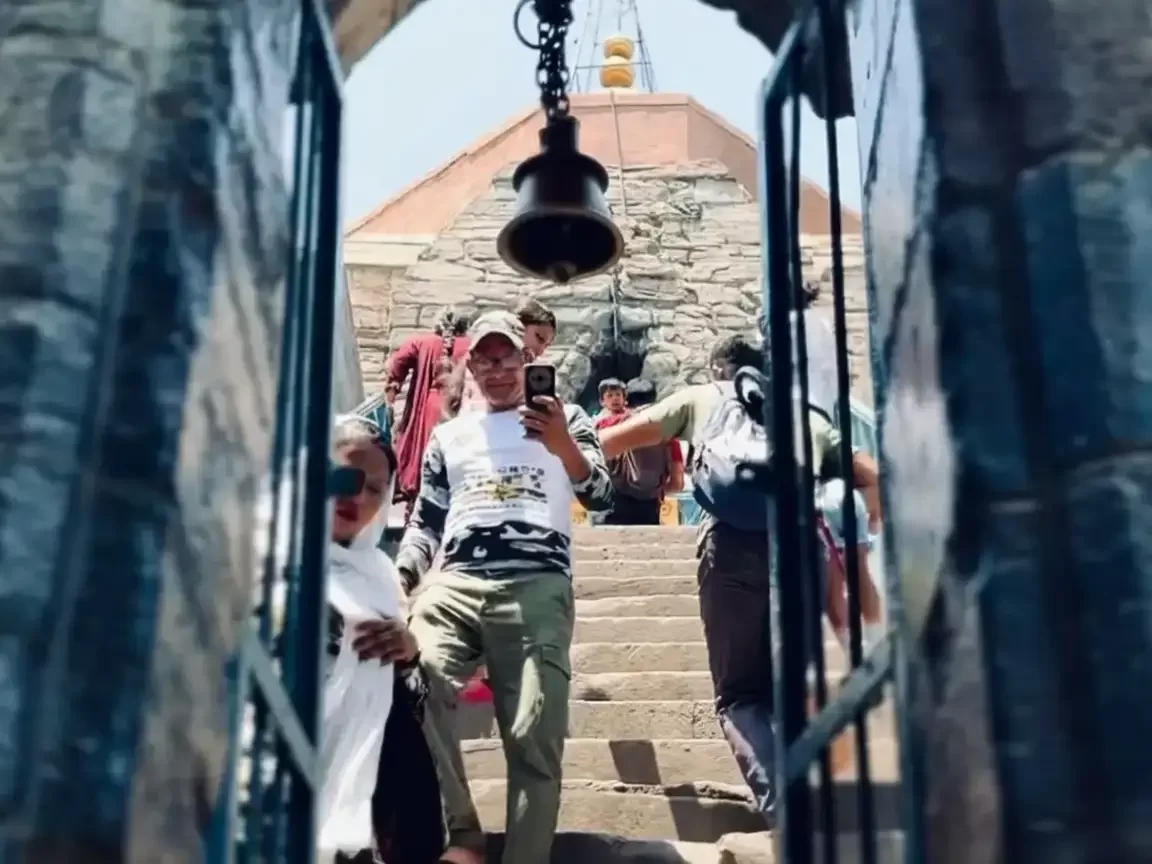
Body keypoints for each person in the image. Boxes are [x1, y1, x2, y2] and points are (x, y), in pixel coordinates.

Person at [598, 334, 880, 824]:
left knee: (740, 695)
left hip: (730, 549)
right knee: (791, 685)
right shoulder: (802, 414)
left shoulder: (702, 399)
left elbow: (610, 440)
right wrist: (870, 521)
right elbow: (871, 473)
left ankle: (788, 811)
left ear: (717, 372)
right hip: (799, 551)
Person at [398, 311, 613, 864]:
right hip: (457, 583)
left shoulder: (571, 422)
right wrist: (401, 576)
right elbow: (427, 520)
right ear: (472, 366)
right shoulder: (448, 436)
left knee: (535, 732)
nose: (498, 370)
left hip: (536, 584)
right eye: (487, 360)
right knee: (410, 682)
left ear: (529, 361)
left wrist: (562, 441)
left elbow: (603, 496)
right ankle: (461, 834)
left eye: (508, 358)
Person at [320, 415, 443, 864]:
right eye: (348, 474)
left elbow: (406, 691)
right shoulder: (269, 545)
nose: (359, 496)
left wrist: (408, 650)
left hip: (369, 768)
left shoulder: (378, 573)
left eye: (375, 488)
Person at [385, 308, 474, 520]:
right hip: (457, 409)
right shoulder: (471, 346)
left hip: (426, 410)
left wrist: (392, 391)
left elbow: (396, 366)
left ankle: (415, 516)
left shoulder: (421, 342)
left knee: (423, 460)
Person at [594, 377, 683, 526]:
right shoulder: (670, 432)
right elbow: (677, 483)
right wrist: (656, 492)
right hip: (648, 507)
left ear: (626, 400)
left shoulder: (606, 425)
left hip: (612, 504)